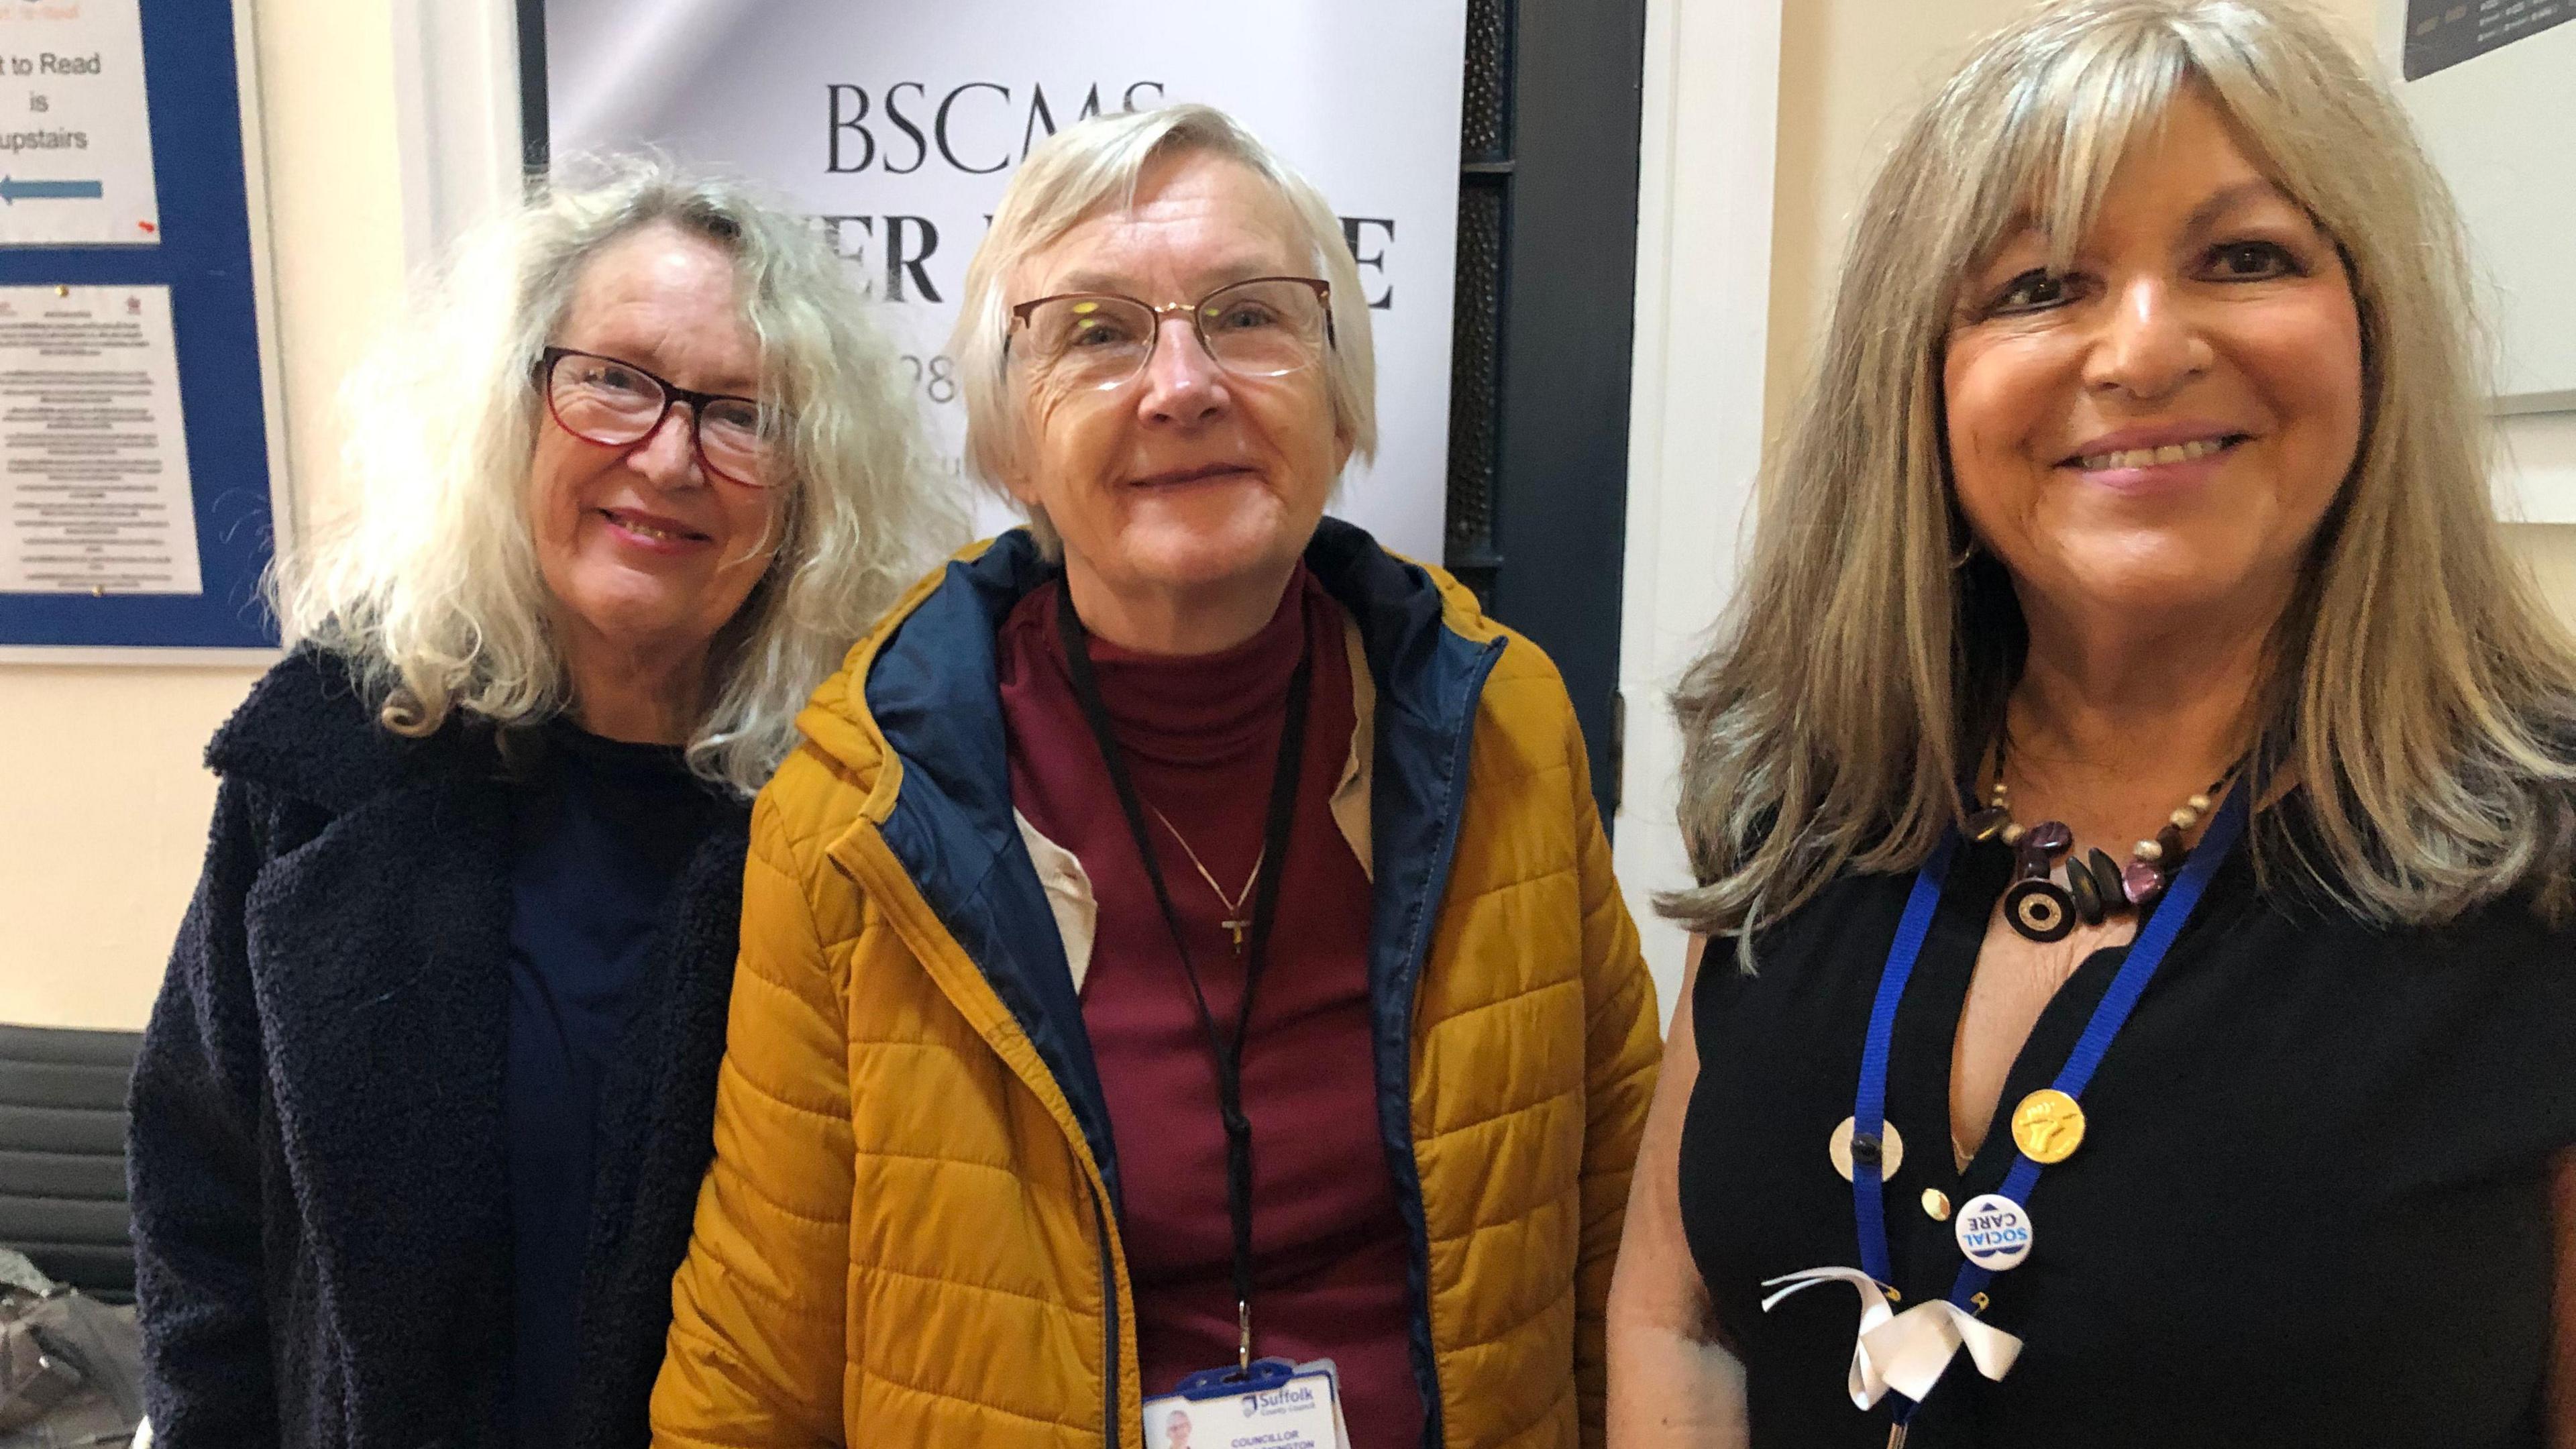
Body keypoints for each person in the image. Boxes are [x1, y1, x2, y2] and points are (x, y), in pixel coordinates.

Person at [1605, 1, 2576, 1444]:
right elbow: (1679, 1319)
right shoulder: (1798, 783)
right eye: (2040, 284)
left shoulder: (2545, 853)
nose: (2140, 351)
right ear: (1919, 378)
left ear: (2375, 329)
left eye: (2245, 258)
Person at [649, 103, 1662, 1449]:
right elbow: (756, 1368)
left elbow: (1631, 1255)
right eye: (1099, 332)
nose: (1182, 385)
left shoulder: (1506, 728)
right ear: (1013, 437)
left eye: (1249, 316)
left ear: (1343, 389)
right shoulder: (856, 817)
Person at [125, 158, 957, 1449]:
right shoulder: (327, 766)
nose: (671, 456)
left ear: (808, 489)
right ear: (509, 412)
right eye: (614, 382)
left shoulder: (868, 817)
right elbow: (202, 1198)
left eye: (743, 414)